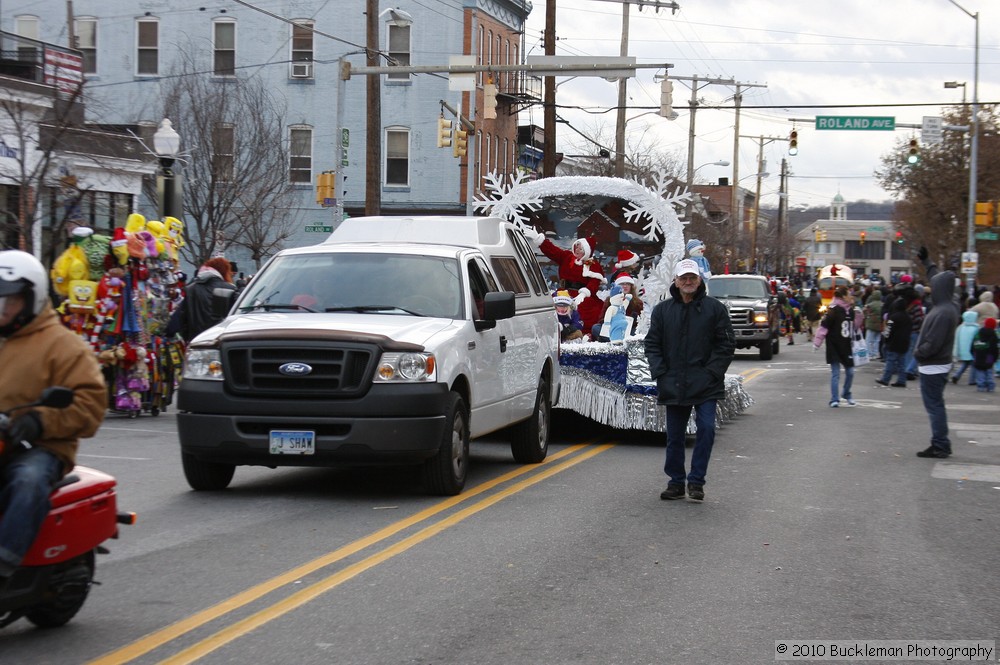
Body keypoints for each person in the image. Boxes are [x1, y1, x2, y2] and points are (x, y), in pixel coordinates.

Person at [0, 251, 106, 586]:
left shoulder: (63, 345)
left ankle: (4, 563)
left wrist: (39, 420)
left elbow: (90, 404)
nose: (3, 308)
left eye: (11, 300)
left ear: (32, 298)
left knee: (28, 480)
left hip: (38, 446)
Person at [644, 259, 735, 503]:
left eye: (692, 278)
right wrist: (660, 372)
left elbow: (725, 345)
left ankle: (696, 482)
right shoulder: (663, 311)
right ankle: (675, 482)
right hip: (673, 382)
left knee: (706, 429)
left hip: (706, 384)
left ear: (699, 280)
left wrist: (712, 373)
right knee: (675, 435)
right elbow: (652, 344)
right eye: (683, 278)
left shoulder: (715, 309)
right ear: (675, 280)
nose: (687, 282)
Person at [912, 248, 961, 459]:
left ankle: (941, 444)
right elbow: (937, 278)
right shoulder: (949, 304)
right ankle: (941, 442)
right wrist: (927, 261)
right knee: (935, 405)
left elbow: (932, 344)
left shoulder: (943, 313)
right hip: (936, 364)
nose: (931, 287)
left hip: (933, 365)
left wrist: (918, 353)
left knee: (934, 407)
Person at [526, 231, 605, 335]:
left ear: (586, 251)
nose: (577, 250)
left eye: (580, 248)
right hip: (563, 293)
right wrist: (541, 241)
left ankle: (584, 335)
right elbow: (554, 252)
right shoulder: (567, 257)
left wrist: (584, 293)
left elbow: (594, 282)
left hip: (581, 296)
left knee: (587, 313)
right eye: (576, 247)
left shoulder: (593, 264)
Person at [813, 285, 863, 407]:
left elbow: (855, 327)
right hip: (834, 346)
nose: (851, 296)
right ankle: (834, 399)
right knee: (835, 373)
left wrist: (859, 315)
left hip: (847, 346)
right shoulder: (833, 310)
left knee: (850, 372)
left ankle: (846, 393)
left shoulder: (851, 310)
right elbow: (823, 327)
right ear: (843, 297)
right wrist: (817, 342)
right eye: (849, 294)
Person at [169, 256, 236, 342]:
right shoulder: (230, 289)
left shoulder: (191, 289)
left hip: (196, 343)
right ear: (225, 272)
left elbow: (180, 319)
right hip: (221, 343)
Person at [591, 273, 644, 340]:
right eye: (622, 284)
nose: (625, 286)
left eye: (627, 284)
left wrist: (633, 319)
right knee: (596, 328)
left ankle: (614, 339)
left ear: (631, 286)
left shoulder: (637, 302)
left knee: (635, 333)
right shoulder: (609, 300)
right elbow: (601, 319)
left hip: (627, 329)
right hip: (612, 328)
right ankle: (613, 339)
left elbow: (640, 322)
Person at [876, 298, 912, 387]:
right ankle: (902, 380)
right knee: (902, 363)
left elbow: (888, 330)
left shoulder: (894, 317)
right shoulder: (908, 317)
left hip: (893, 343)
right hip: (904, 343)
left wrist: (886, 339)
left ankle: (885, 379)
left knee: (890, 361)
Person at [950, 309, 980, 385]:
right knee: (973, 365)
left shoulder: (961, 327)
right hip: (973, 350)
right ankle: (972, 380)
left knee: (965, 364)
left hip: (963, 351)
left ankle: (956, 375)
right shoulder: (976, 328)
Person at [970, 317, 997, 392]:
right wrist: (995, 357)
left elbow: (973, 345)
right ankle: (990, 386)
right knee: (989, 370)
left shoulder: (978, 333)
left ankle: (980, 386)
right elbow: (994, 347)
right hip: (989, 356)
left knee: (980, 371)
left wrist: (973, 353)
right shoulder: (993, 334)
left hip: (978, 355)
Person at [862, 289, 883, 360]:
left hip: (871, 323)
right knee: (877, 340)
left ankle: (869, 354)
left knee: (869, 340)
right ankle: (876, 353)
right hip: (880, 324)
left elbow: (864, 311)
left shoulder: (870, 305)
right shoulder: (882, 304)